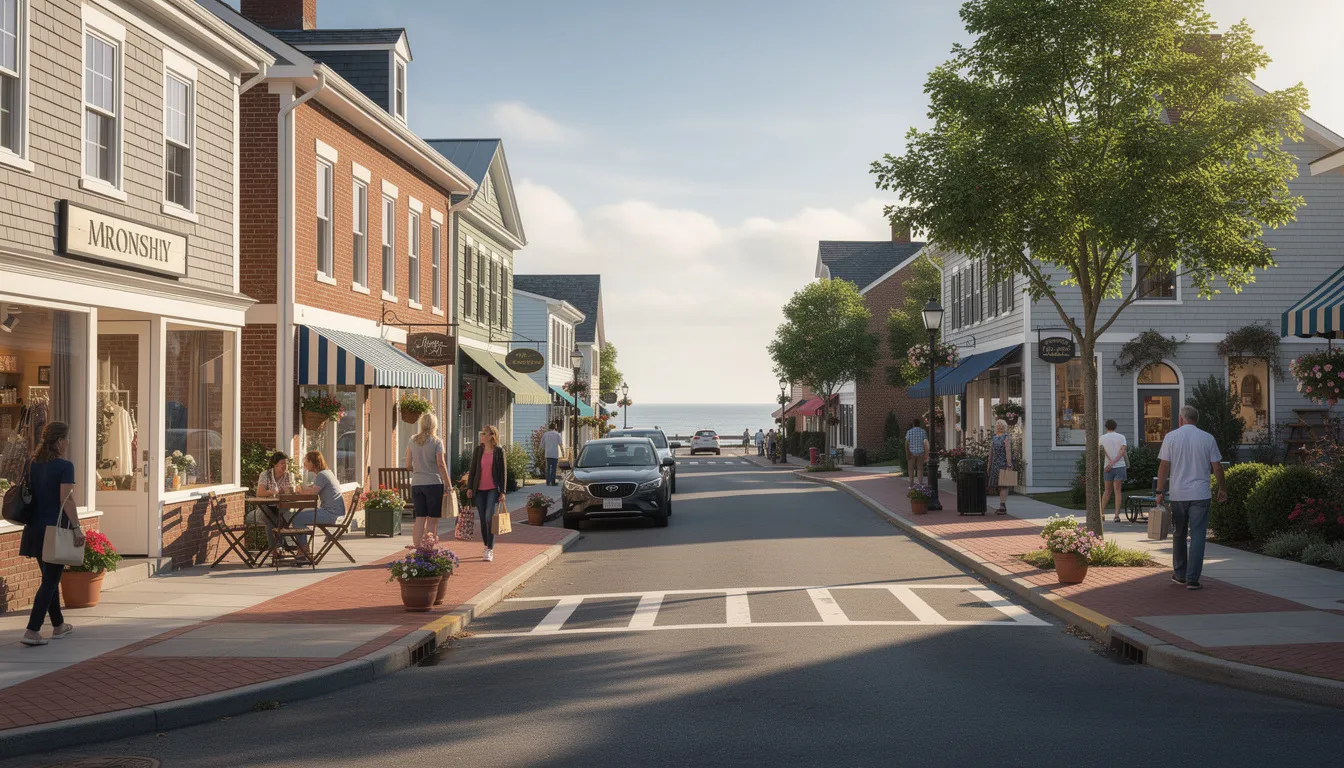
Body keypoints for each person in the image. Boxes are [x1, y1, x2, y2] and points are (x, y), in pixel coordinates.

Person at [20, 422, 83, 646]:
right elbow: (66, 499)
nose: (68, 443)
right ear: (58, 441)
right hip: (55, 529)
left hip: (35, 527)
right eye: (67, 439)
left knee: (49, 579)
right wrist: (77, 528)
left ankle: (58, 626)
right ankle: (32, 631)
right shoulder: (65, 466)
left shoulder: (32, 463)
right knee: (50, 581)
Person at [1156, 405, 1227, 591]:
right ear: (1196, 420)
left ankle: (1180, 574)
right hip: (1201, 494)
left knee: (1179, 533)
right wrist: (1222, 488)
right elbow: (1217, 467)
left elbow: (1164, 466)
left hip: (1178, 494)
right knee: (1198, 535)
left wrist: (1159, 491)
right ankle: (1193, 579)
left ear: (1181, 419)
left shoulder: (1171, 437)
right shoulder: (1207, 438)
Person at [406, 413, 451, 548]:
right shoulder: (437, 441)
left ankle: (417, 546)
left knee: (420, 518)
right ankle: (428, 547)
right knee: (432, 519)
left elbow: (408, 464)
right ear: (434, 425)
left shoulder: (412, 440)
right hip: (433, 483)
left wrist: (418, 470)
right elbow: (441, 464)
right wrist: (449, 484)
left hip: (417, 484)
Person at [290, 450, 346, 560]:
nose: (304, 464)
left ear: (313, 462)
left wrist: (300, 491)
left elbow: (313, 492)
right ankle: (303, 549)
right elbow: (313, 488)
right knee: (298, 517)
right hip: (335, 513)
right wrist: (302, 489)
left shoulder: (322, 475)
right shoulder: (326, 473)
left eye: (306, 461)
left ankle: (303, 550)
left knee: (297, 519)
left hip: (331, 514)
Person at [466, 424, 506, 563]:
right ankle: (485, 545)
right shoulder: (478, 450)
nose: (481, 436)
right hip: (479, 489)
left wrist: (503, 491)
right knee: (483, 519)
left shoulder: (499, 451)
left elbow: (503, 472)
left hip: (493, 489)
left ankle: (490, 549)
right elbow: (473, 470)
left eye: (484, 433)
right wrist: (470, 487)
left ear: (491, 436)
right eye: (482, 433)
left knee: (489, 517)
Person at [1099, 419, 1129, 523]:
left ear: (1106, 427)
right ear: (1115, 427)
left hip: (1107, 467)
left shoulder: (1102, 438)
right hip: (1120, 466)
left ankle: (1101, 513)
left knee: (1107, 491)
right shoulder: (1121, 437)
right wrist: (1114, 463)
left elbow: (1102, 452)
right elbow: (1122, 451)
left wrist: (1110, 464)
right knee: (1117, 491)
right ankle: (1116, 515)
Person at [986, 419, 1013, 515]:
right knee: (1004, 486)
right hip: (1004, 464)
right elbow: (1008, 451)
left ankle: (1002, 506)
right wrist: (1009, 464)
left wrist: (989, 465)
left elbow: (991, 453)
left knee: (999, 486)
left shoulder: (994, 438)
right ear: (1004, 426)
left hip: (995, 464)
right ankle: (1003, 506)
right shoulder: (1006, 437)